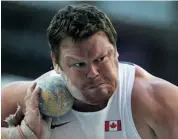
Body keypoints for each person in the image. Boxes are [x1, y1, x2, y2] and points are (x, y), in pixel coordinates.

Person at [1, 4, 178, 139]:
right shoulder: (32, 99)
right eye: (79, 65)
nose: (93, 73)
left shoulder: (158, 100)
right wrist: (20, 135)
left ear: (115, 50)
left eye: (100, 59)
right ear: (56, 63)